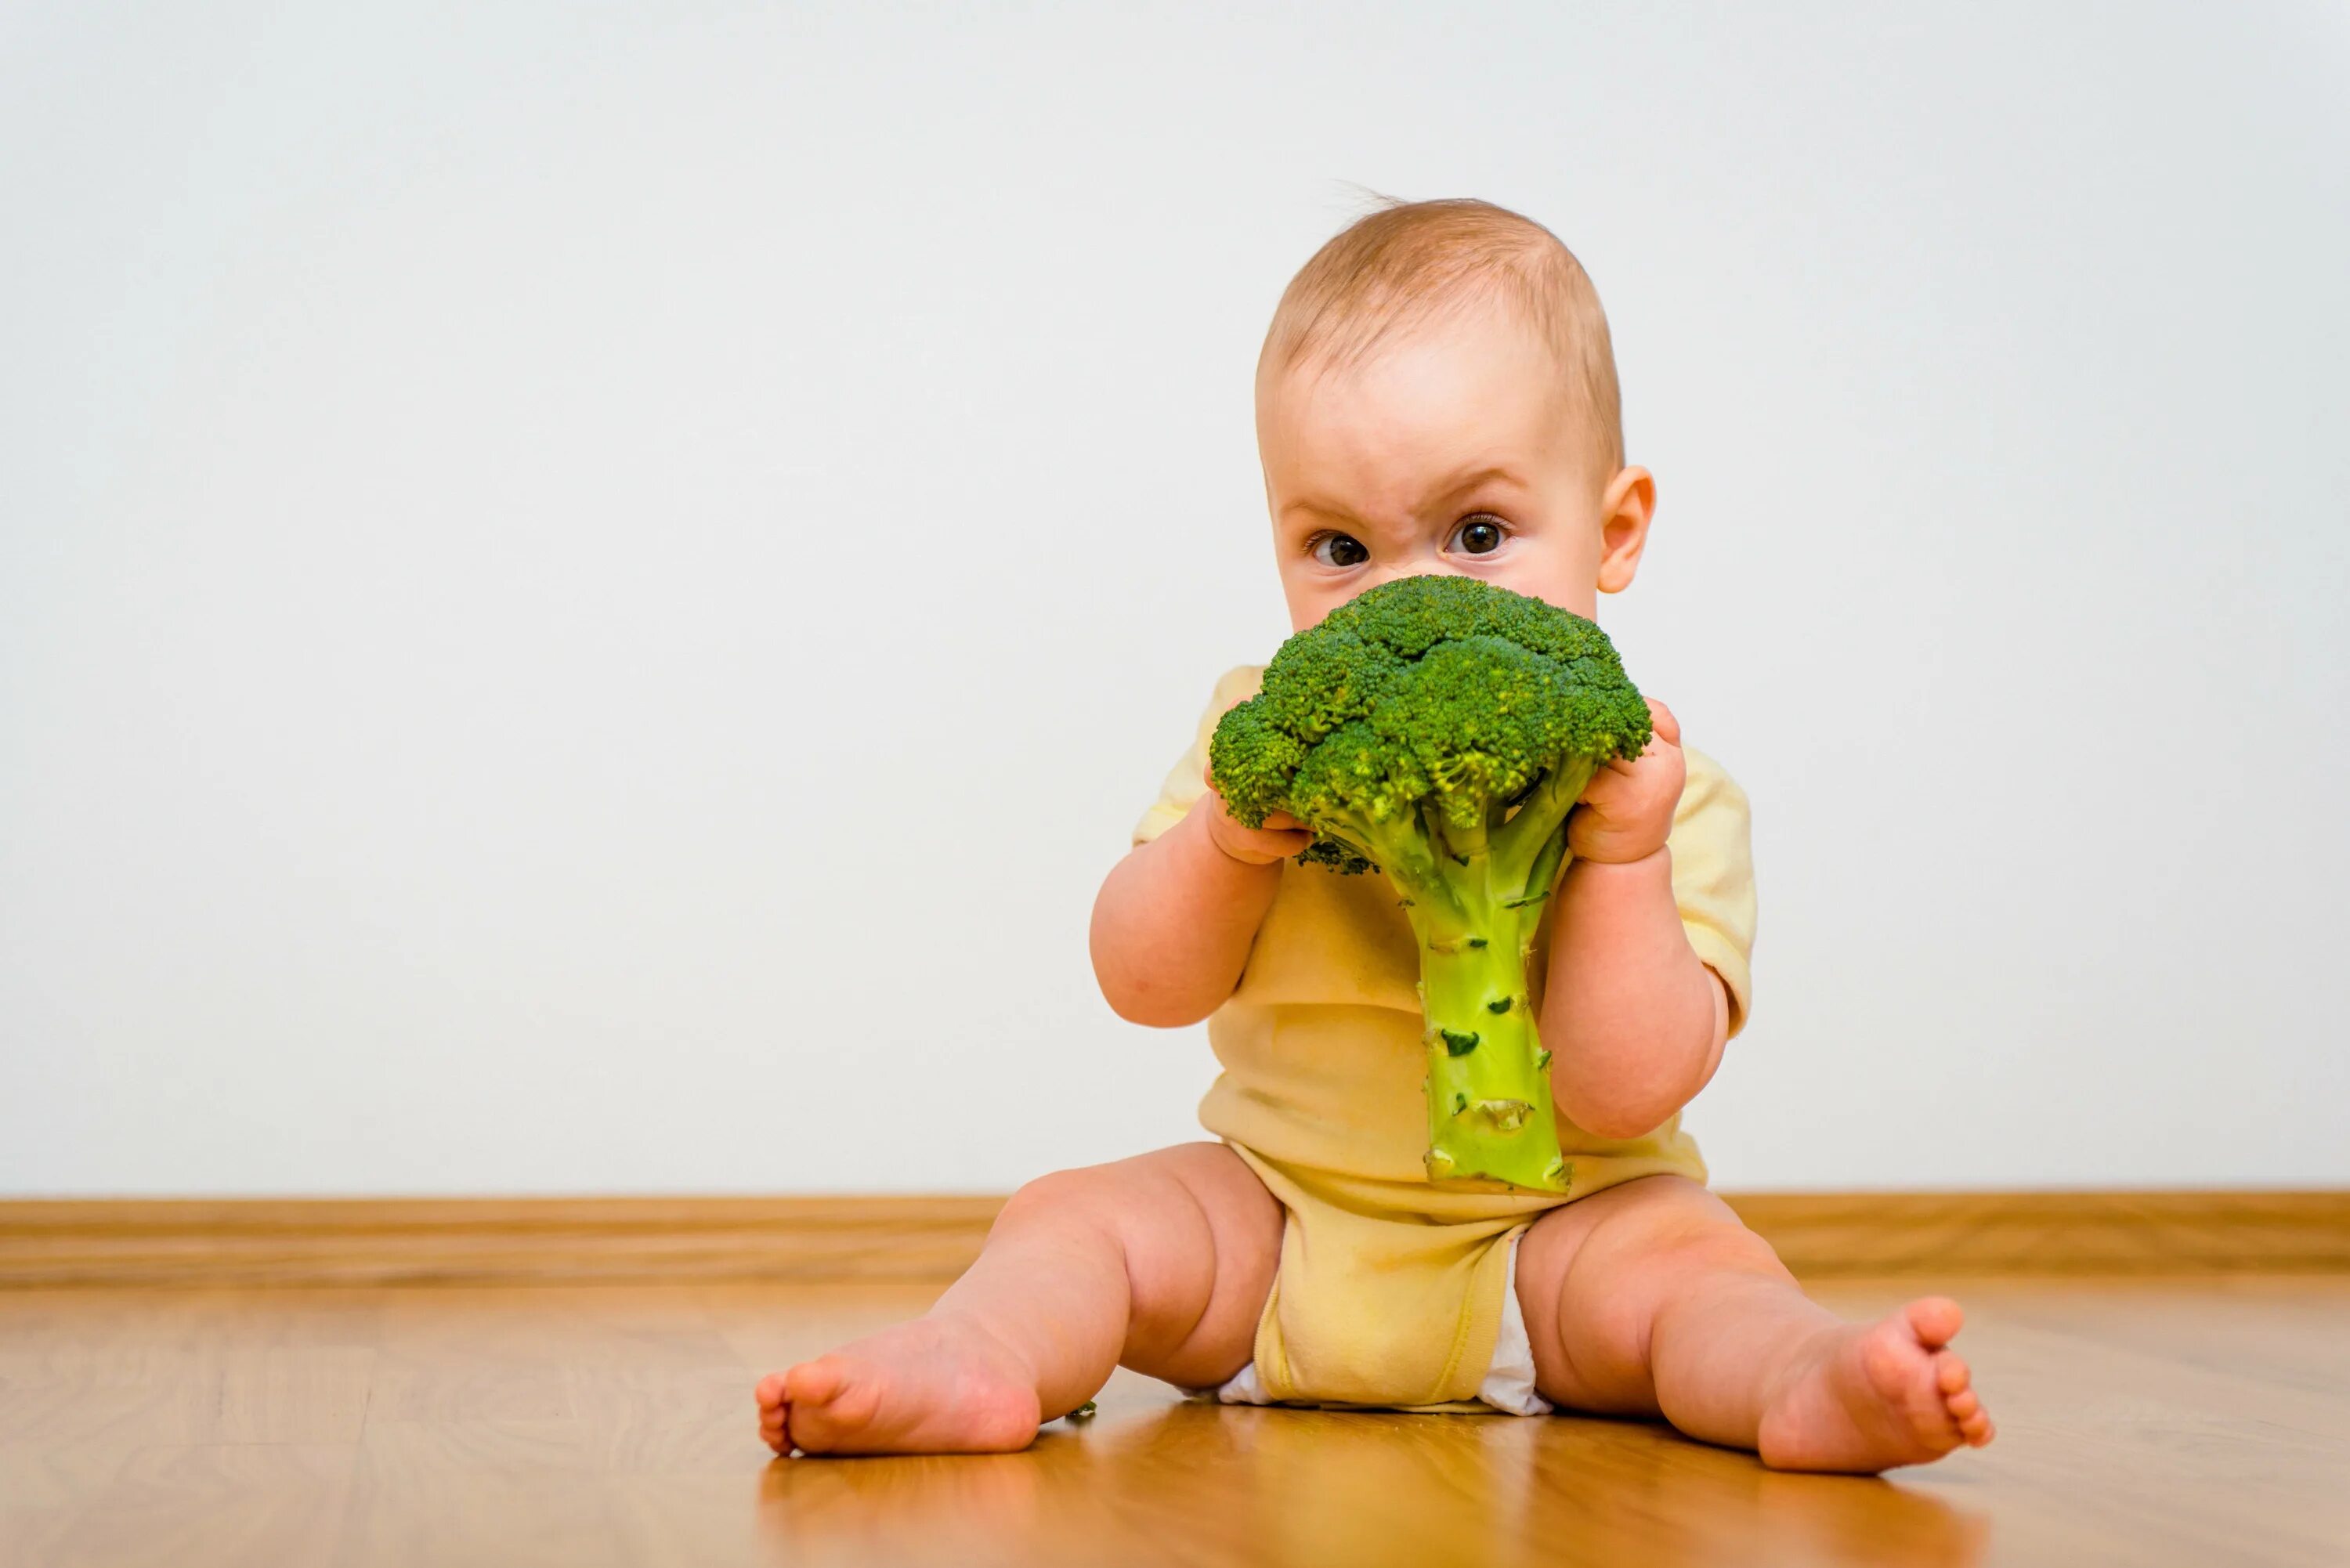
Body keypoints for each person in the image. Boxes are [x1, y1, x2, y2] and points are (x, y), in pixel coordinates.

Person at [757, 197, 1993, 1472]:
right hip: (1279, 1224)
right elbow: (1140, 981)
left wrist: (1620, 860)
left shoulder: (1665, 791)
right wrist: (1227, 845)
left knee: (1697, 1269)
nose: (1407, 599)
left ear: (1615, 529)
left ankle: (1804, 1379)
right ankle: (982, 1357)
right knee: (1075, 1218)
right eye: (1339, 547)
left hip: (1560, 1238)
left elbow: (1635, 1087)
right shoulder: (1260, 741)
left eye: (1476, 535)